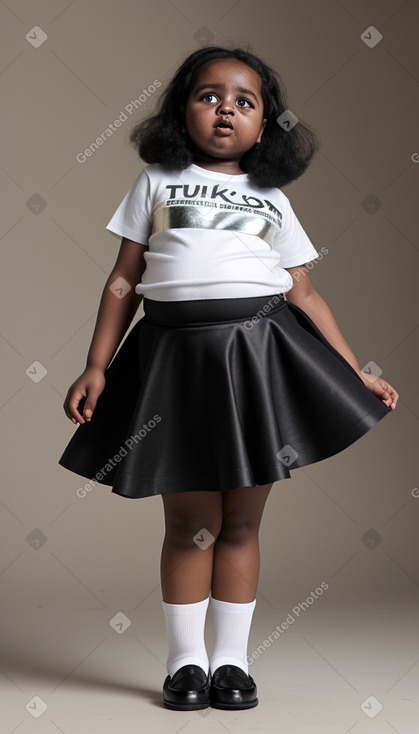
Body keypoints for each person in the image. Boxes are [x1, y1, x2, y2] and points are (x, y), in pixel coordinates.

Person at [59, 45, 399, 711]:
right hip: (172, 362)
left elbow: (303, 294)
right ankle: (185, 663)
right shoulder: (156, 181)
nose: (224, 110)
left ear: (265, 124)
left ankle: (232, 664)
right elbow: (124, 279)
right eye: (208, 95)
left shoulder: (270, 196)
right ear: (180, 110)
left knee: (240, 520)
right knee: (191, 521)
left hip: (257, 359)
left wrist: (353, 367)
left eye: (244, 102)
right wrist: (97, 364)